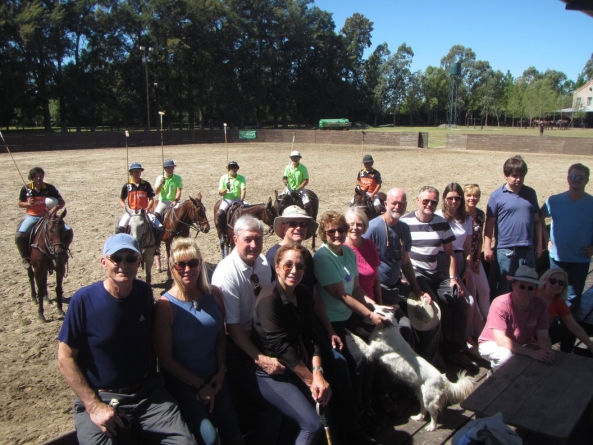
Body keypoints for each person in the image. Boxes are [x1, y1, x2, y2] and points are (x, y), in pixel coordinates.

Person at [57, 233, 196, 444]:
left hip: (147, 394)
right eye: (116, 258)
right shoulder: (83, 301)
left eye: (130, 258)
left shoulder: (143, 292)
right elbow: (65, 357)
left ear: (139, 262)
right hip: (100, 397)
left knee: (185, 442)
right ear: (104, 262)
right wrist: (93, 406)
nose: (124, 264)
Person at [267, 206, 375, 444]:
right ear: (283, 226)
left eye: (303, 224)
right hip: (287, 336)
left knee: (340, 363)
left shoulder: (305, 255)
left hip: (310, 328)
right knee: (337, 364)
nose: (299, 228)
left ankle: (350, 426)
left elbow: (314, 295)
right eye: (293, 223)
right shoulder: (273, 256)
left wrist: (328, 329)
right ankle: (343, 428)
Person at [153, 237, 243, 445]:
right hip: (184, 383)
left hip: (215, 378)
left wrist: (221, 372)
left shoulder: (215, 295)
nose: (187, 269)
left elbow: (221, 336)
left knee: (233, 432)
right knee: (209, 438)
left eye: (193, 263)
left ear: (200, 264)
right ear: (172, 268)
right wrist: (200, 385)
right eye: (180, 264)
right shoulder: (165, 307)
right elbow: (165, 360)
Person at [211, 215, 283, 444]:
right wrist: (261, 358)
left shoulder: (262, 263)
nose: (254, 245)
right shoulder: (226, 273)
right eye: (248, 239)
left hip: (262, 335)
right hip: (238, 345)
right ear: (234, 239)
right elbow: (232, 326)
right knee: (270, 402)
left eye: (258, 239)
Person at [252, 244, 330, 445]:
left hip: (295, 366)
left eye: (300, 266)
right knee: (312, 425)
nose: (294, 271)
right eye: (288, 265)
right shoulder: (269, 300)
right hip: (273, 372)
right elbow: (283, 349)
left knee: (324, 402)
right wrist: (312, 381)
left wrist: (318, 372)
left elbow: (311, 335)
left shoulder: (302, 292)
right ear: (276, 267)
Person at [313, 211, 387, 419]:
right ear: (323, 234)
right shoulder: (323, 258)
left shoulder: (348, 253)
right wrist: (370, 315)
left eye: (341, 230)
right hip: (333, 320)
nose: (337, 234)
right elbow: (342, 295)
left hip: (349, 314)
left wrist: (374, 305)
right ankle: (357, 409)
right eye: (331, 231)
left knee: (379, 347)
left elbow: (356, 289)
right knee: (359, 359)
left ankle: (374, 397)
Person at [400, 186, 476, 371]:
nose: (429, 205)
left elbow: (449, 253)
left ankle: (455, 348)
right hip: (416, 273)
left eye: (433, 202)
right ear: (417, 200)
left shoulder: (442, 223)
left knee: (459, 300)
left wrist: (452, 278)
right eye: (425, 201)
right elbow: (400, 254)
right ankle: (433, 357)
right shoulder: (405, 222)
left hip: (436, 272)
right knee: (433, 306)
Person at [363, 188, 441, 365]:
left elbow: (405, 263)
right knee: (404, 328)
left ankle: (428, 361)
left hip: (397, 287)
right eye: (394, 203)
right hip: (379, 291)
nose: (397, 206)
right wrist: (375, 301)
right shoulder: (373, 229)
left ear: (406, 205)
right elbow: (362, 265)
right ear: (386, 204)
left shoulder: (404, 228)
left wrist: (418, 290)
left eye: (401, 203)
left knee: (430, 314)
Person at [484, 155, 542, 296]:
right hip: (505, 250)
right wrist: (487, 247)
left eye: (521, 175)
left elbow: (537, 221)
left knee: (528, 287)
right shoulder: (496, 196)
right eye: (514, 175)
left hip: (527, 249)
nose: (518, 179)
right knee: (504, 288)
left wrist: (539, 245)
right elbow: (490, 224)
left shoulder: (530, 193)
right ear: (506, 175)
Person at [478, 265, 554, 372]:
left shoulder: (541, 305)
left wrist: (546, 351)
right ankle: (494, 379)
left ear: (535, 289)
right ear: (513, 285)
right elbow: (500, 340)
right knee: (506, 357)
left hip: (519, 343)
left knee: (543, 360)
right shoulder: (500, 303)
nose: (526, 290)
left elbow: (543, 335)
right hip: (492, 342)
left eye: (530, 288)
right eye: (522, 286)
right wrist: (532, 353)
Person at [436, 183, 482, 354]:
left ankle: (475, 336)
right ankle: (464, 339)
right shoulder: (439, 216)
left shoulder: (467, 218)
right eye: (450, 198)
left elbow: (468, 246)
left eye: (457, 198)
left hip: (461, 259)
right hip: (444, 260)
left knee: (473, 300)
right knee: (465, 300)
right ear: (444, 199)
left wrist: (468, 269)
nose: (454, 201)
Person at [541, 163, 593, 309]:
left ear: (587, 180)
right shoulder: (554, 201)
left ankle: (568, 327)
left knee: (573, 296)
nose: (576, 180)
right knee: (551, 292)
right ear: (568, 178)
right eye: (573, 176)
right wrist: (547, 239)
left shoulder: (591, 203)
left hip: (580, 259)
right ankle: (550, 324)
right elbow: (539, 217)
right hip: (557, 258)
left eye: (580, 177)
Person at [15, 166, 71, 268]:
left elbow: (62, 202)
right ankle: (25, 257)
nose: (39, 179)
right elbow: (20, 203)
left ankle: (64, 252)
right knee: (19, 235)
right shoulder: (26, 189)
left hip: (48, 216)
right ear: (32, 178)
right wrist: (28, 204)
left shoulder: (50, 188)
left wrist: (57, 207)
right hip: (32, 216)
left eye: (41, 176)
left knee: (68, 231)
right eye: (36, 177)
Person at [537, 268, 593, 354]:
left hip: (543, 334)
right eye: (552, 281)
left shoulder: (558, 302)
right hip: (525, 334)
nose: (556, 285)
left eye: (561, 283)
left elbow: (575, 327)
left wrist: (590, 345)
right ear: (545, 280)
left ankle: (566, 355)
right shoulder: (531, 294)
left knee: (569, 330)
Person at [464, 183, 490, 322]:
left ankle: (487, 319)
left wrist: (477, 258)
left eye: (475, 195)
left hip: (475, 259)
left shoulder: (480, 215)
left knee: (484, 290)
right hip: (463, 260)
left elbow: (479, 238)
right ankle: (476, 323)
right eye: (469, 195)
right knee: (470, 294)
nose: (472, 198)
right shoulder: (460, 214)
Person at [116, 162, 163, 240]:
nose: (137, 173)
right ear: (131, 173)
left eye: (138, 171)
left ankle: (156, 246)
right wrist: (125, 208)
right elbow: (121, 199)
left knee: (160, 228)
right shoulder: (127, 185)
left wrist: (148, 208)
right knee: (120, 229)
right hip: (131, 212)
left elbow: (151, 199)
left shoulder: (146, 184)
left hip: (144, 212)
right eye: (135, 171)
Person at [216, 160, 246, 235]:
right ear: (228, 169)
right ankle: (222, 232)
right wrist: (226, 189)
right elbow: (220, 193)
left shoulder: (241, 178)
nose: (233, 169)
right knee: (219, 214)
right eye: (231, 167)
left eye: (235, 167)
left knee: (250, 211)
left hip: (238, 199)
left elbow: (243, 190)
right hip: (227, 200)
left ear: (237, 169)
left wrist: (241, 200)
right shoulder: (223, 178)